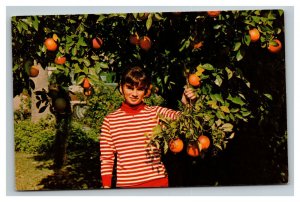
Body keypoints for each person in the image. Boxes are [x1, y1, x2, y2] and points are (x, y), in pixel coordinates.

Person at [100, 66, 196, 188]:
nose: (134, 94)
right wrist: (106, 186)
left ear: (145, 92)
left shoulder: (156, 113)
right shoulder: (110, 121)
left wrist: (187, 104)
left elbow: (185, 121)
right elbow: (106, 158)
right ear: (121, 88)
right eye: (130, 88)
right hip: (126, 188)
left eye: (140, 89)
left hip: (157, 184)